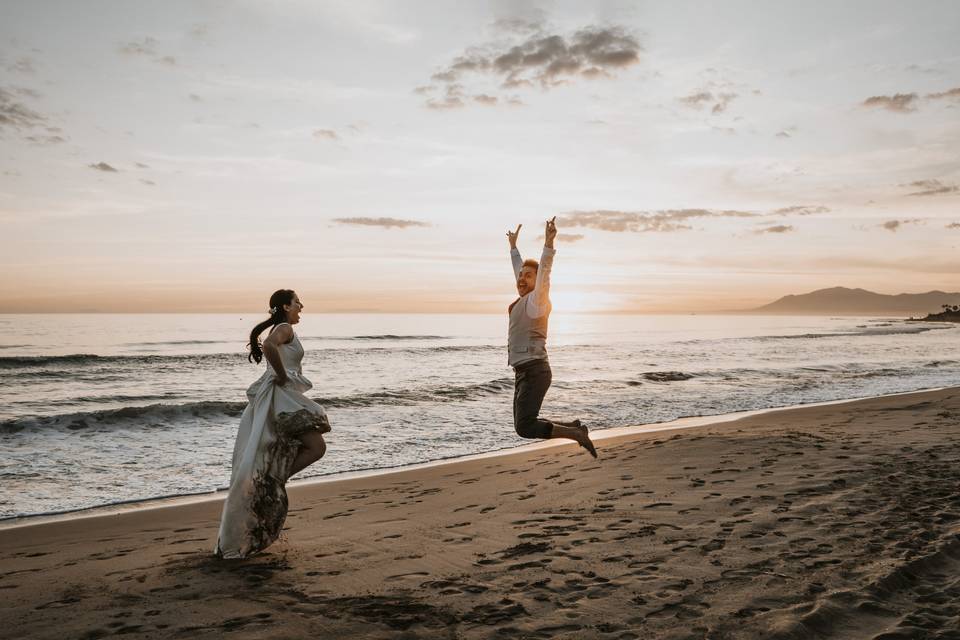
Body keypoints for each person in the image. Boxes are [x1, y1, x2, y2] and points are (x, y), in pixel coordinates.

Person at [216, 289, 330, 559]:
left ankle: (273, 481)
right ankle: (274, 481)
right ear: (285, 306)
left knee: (276, 446)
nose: (301, 306)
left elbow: (271, 348)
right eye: (297, 302)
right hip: (279, 395)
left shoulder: (286, 328)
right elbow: (268, 346)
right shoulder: (283, 328)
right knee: (316, 447)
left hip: (281, 395)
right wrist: (281, 375)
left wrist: (283, 376)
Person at [506, 217, 597, 458]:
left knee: (525, 426)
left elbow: (543, 272)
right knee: (523, 425)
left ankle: (576, 434)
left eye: (528, 276)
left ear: (538, 283)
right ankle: (574, 427)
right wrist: (514, 249)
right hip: (524, 372)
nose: (521, 278)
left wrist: (548, 244)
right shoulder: (523, 299)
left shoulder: (537, 302)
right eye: (521, 274)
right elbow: (521, 272)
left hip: (535, 370)